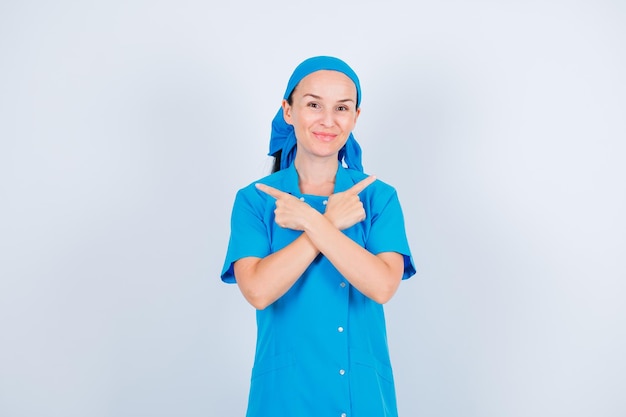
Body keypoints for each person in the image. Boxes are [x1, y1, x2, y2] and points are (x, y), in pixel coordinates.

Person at [221, 56, 416, 417]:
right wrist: (325, 223)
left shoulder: (377, 196)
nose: (328, 121)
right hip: (283, 397)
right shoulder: (256, 198)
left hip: (360, 397)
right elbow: (259, 291)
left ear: (355, 117)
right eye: (313, 105)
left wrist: (311, 222)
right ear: (288, 111)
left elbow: (382, 285)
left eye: (342, 108)